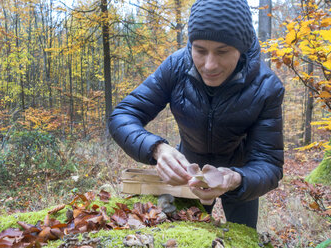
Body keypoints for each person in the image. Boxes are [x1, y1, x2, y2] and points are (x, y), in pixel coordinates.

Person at [108, 0, 284, 230]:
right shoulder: (176, 67)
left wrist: (235, 179)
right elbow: (122, 115)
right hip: (187, 174)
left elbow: (269, 164)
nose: (209, 65)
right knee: (188, 236)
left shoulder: (266, 86)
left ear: (241, 48)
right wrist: (157, 149)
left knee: (244, 237)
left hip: (241, 174)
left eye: (222, 51)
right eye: (200, 50)